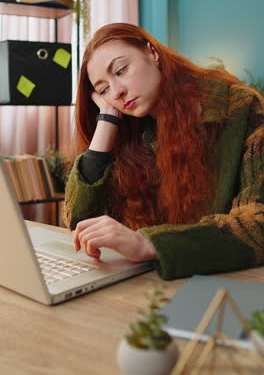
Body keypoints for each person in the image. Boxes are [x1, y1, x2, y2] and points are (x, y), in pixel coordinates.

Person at [64, 22, 264, 280]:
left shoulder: (240, 108)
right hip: (148, 283)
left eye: (122, 70)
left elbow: (257, 225)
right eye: (103, 89)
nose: (117, 91)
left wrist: (149, 244)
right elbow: (78, 222)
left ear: (152, 53)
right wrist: (107, 121)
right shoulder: (130, 127)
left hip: (226, 284)